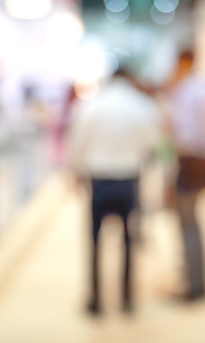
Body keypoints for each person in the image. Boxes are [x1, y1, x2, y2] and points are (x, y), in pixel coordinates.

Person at [66, 65, 161, 315]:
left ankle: (95, 299)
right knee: (129, 241)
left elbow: (77, 141)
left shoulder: (91, 105)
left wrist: (75, 173)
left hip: (98, 180)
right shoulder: (142, 105)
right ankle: (127, 297)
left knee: (95, 241)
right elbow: (151, 144)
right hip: (129, 179)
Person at [167, 49, 205, 301]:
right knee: (194, 221)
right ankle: (196, 278)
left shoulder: (186, 90)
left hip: (191, 160)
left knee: (187, 222)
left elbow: (183, 133)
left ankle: (194, 284)